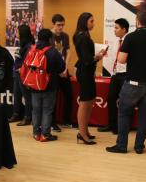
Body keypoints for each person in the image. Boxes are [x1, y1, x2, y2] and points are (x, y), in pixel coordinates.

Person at [106, 11, 146, 154]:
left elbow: (121, 59)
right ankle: (139, 146)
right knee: (144, 115)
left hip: (133, 83)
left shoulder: (131, 38)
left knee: (123, 112)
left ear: (137, 21)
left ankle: (121, 145)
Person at [73, 12, 107, 145]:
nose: (94, 23)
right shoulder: (83, 37)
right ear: (84, 22)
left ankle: (84, 131)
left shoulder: (83, 36)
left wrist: (97, 56)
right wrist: (98, 56)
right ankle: (82, 134)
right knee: (84, 103)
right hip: (85, 72)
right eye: (91, 21)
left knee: (90, 101)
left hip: (87, 72)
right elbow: (87, 59)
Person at [27, 29, 66, 142]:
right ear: (50, 39)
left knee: (36, 110)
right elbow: (62, 68)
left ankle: (36, 133)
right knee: (47, 110)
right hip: (50, 85)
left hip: (34, 85)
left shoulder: (32, 50)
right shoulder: (53, 52)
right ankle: (45, 134)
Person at [98, 18, 129, 135]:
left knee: (124, 102)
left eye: (116, 28)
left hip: (126, 74)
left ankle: (123, 127)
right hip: (115, 74)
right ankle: (112, 125)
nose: (114, 30)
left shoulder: (129, 40)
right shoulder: (117, 41)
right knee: (111, 99)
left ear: (124, 29)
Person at [9, 25, 34, 125]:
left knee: (27, 97)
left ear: (22, 33)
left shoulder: (29, 46)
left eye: (18, 32)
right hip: (16, 75)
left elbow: (27, 61)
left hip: (23, 75)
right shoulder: (22, 45)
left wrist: (21, 70)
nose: (16, 33)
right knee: (16, 95)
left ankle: (27, 117)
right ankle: (16, 114)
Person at [51, 14, 73, 130]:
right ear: (53, 24)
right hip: (53, 72)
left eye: (63, 25)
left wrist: (65, 67)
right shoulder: (49, 36)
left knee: (69, 95)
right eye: (59, 25)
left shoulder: (65, 36)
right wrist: (57, 70)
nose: (61, 27)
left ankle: (66, 120)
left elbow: (68, 51)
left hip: (63, 70)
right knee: (52, 98)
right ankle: (52, 123)